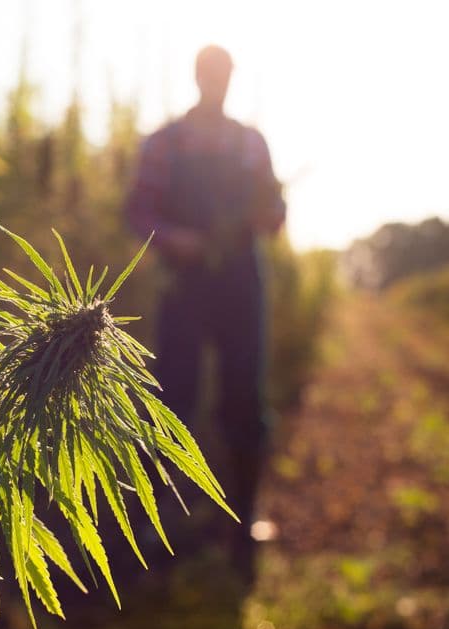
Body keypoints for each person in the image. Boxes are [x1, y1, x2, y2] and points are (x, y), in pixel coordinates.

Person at [126, 45, 285, 584]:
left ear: (230, 79)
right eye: (209, 73)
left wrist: (263, 214)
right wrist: (179, 240)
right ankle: (159, 528)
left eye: (223, 74)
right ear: (197, 77)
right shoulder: (165, 144)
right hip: (184, 285)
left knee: (246, 399)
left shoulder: (250, 144)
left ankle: (243, 522)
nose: (216, 82)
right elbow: (138, 212)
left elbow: (276, 214)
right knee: (173, 399)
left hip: (242, 283)